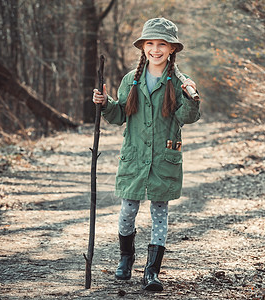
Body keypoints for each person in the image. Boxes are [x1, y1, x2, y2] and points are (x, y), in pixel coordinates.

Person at [93, 17, 200, 292]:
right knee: (128, 212)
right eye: (150, 43)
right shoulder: (131, 79)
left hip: (164, 159)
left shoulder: (178, 82)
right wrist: (105, 104)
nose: (155, 49)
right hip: (135, 157)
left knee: (159, 214)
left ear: (172, 49)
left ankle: (152, 271)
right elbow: (119, 116)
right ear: (143, 47)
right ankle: (126, 259)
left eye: (161, 44)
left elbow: (187, 118)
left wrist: (192, 97)